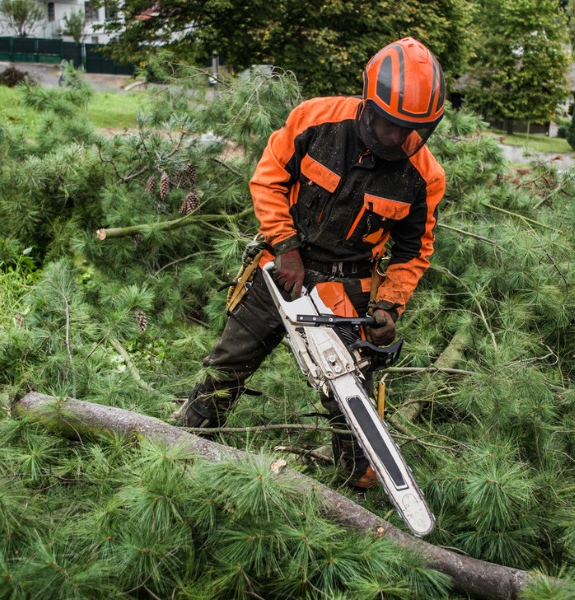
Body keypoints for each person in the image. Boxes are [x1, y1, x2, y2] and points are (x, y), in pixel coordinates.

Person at [176, 38, 446, 490]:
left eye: (412, 130)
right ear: (369, 104)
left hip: (348, 287)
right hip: (284, 272)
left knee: (349, 398)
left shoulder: (423, 175)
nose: (399, 139)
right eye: (391, 126)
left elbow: (413, 251)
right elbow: (268, 179)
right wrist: (286, 246)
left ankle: (356, 483)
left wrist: (388, 307)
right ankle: (184, 443)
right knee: (229, 363)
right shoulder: (315, 121)